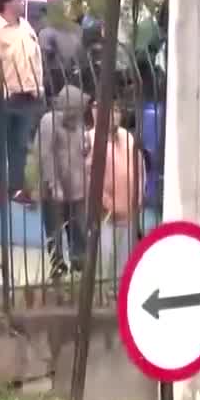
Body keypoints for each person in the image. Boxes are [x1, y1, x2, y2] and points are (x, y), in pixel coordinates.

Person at [0, 0, 43, 207]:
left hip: (28, 94)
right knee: (0, 143)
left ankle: (16, 187)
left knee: (21, 144)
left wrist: (38, 85)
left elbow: (35, 57)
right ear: (7, 3)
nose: (22, 2)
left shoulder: (26, 26)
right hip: (4, 96)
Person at [87, 101, 144, 284]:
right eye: (109, 110)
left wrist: (139, 195)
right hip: (105, 215)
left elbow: (140, 168)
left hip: (129, 212)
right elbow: (87, 176)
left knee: (126, 266)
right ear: (95, 112)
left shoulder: (128, 137)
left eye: (118, 110)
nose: (114, 114)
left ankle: (120, 297)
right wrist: (106, 202)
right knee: (104, 264)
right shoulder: (89, 139)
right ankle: (101, 298)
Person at [36, 85, 89, 277]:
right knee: (55, 231)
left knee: (79, 229)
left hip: (77, 189)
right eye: (77, 108)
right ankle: (58, 266)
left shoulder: (78, 124)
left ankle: (79, 265)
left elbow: (82, 150)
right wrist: (54, 184)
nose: (80, 113)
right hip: (55, 191)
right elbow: (45, 155)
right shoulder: (49, 122)